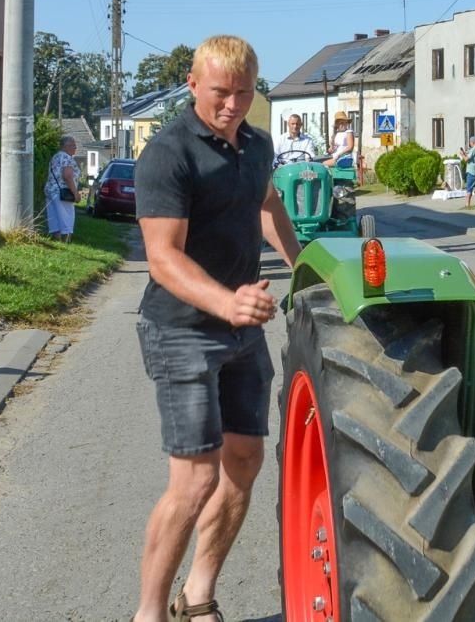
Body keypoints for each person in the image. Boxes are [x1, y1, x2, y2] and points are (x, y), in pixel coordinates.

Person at [131, 36, 303, 622]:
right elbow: (163, 258)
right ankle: (149, 613)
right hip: (182, 331)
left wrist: (303, 267)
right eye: (220, 93)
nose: (232, 105)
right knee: (195, 479)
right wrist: (229, 303)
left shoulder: (257, 144)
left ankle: (198, 594)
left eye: (245, 93)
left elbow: (267, 203)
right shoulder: (169, 153)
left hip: (242, 332)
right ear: (192, 84)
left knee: (246, 459)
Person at [44, 135, 79, 243]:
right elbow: (67, 176)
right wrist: (75, 193)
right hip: (63, 192)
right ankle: (65, 240)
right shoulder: (67, 158)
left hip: (51, 190)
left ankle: (56, 239)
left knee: (54, 216)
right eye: (74, 146)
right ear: (67, 146)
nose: (75, 148)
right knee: (67, 216)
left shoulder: (55, 157)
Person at [460, 136, 475, 207]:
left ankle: (467, 204)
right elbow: (473, 158)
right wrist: (465, 153)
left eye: (470, 143)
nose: (470, 144)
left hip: (472, 172)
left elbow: (466, 159)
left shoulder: (473, 149)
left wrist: (462, 155)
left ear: (472, 142)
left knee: (469, 188)